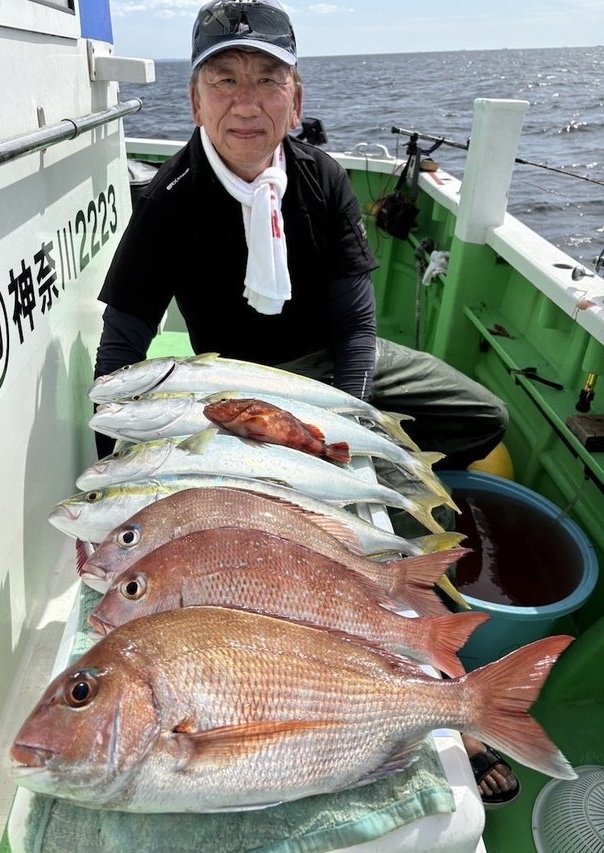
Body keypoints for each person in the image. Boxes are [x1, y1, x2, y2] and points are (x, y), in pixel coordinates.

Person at [92, 0, 518, 808]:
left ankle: (392, 506)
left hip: (328, 369)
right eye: (223, 80)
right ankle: (439, 691)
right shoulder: (168, 200)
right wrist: (123, 475)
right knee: (296, 540)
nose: (245, 102)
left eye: (266, 80)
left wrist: (342, 430)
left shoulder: (320, 177)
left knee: (480, 416)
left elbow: (357, 321)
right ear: (193, 100)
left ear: (295, 95)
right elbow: (123, 348)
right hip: (228, 391)